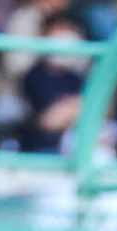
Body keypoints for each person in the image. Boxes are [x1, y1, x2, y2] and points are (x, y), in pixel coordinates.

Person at [18, 10, 88, 154]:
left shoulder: (74, 78)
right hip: (42, 149)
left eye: (69, 29)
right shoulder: (35, 75)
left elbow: (104, 109)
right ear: (45, 34)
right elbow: (47, 120)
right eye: (60, 28)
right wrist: (78, 108)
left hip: (74, 149)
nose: (66, 35)